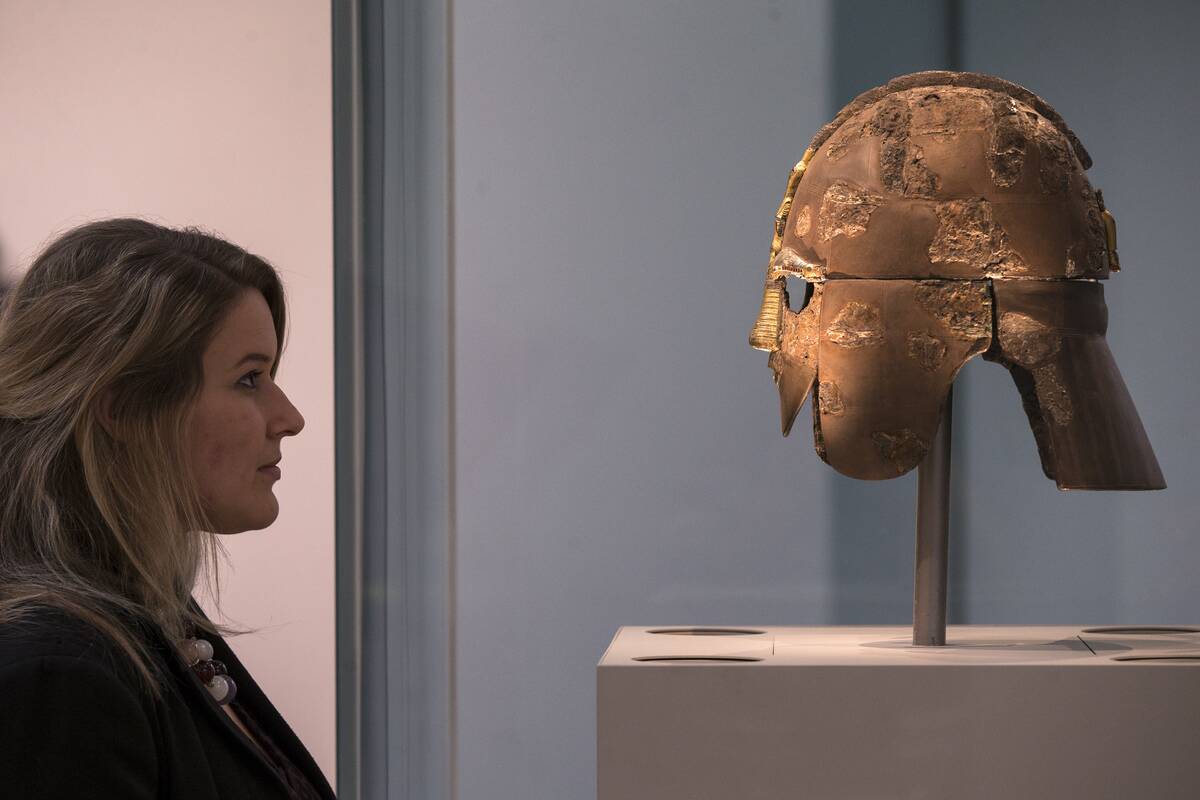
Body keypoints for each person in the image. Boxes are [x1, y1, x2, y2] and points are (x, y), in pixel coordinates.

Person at [0, 218, 335, 799]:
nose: (290, 418)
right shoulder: (58, 675)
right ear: (124, 409)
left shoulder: (148, 609)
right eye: (249, 379)